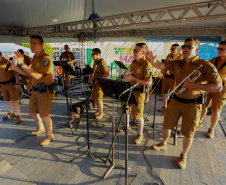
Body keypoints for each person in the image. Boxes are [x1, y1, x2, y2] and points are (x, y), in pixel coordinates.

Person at [146, 38, 222, 169]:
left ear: (196, 50)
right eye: (184, 46)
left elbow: (218, 87)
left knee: (188, 132)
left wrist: (194, 85)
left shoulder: (205, 65)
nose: (185, 49)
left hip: (193, 104)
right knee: (166, 125)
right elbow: (160, 65)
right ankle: (163, 143)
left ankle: (183, 155)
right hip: (176, 100)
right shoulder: (177, 63)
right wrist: (151, 59)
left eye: (189, 47)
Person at [9, 35, 55, 146]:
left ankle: (49, 135)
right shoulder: (35, 58)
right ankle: (41, 127)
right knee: (31, 112)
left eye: (34, 43)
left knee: (44, 115)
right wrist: (16, 68)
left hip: (45, 90)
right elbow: (30, 73)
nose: (31, 45)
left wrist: (22, 64)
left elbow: (39, 76)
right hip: (35, 90)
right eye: (30, 43)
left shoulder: (46, 58)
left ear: (41, 45)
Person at [119, 43, 153, 144]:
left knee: (138, 114)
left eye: (136, 51)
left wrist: (133, 78)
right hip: (129, 90)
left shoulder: (147, 64)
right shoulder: (134, 62)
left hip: (138, 93)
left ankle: (140, 133)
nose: (133, 52)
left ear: (143, 52)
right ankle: (126, 125)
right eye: (134, 50)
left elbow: (148, 83)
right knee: (125, 110)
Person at [199, 40, 226, 138]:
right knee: (203, 106)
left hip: (221, 90)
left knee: (215, 110)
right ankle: (199, 121)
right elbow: (205, 70)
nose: (219, 50)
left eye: (222, 49)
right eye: (218, 48)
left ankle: (211, 129)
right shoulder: (213, 60)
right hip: (209, 87)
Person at [158, 44, 183, 112]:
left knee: (173, 92)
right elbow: (166, 64)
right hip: (167, 76)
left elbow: (178, 67)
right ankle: (165, 106)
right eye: (171, 49)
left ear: (177, 50)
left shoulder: (180, 57)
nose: (171, 50)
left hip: (173, 77)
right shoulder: (169, 55)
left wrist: (171, 61)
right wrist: (163, 71)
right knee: (164, 92)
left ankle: (172, 107)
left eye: (173, 49)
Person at [0, 52, 22, 123]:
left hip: (11, 84)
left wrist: (18, 83)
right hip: (2, 85)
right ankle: (11, 113)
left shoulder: (8, 62)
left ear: (1, 56)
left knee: (15, 100)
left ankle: (18, 115)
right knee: (8, 100)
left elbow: (16, 73)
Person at [89, 48, 109, 119]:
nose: (91, 56)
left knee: (99, 98)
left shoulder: (102, 62)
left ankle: (101, 113)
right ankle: (99, 110)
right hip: (94, 83)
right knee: (95, 98)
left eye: (93, 54)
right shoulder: (96, 62)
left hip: (99, 84)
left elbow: (106, 73)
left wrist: (99, 80)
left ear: (97, 54)